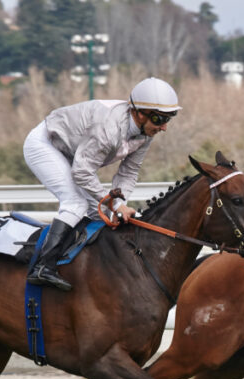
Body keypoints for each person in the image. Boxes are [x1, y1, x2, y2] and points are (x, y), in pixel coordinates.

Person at [22, 77, 181, 291]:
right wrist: (115, 205)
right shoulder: (109, 129)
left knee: (101, 216)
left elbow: (129, 171)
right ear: (139, 113)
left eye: (168, 119)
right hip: (45, 144)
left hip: (74, 154)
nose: (163, 127)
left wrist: (118, 205)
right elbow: (81, 171)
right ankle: (43, 267)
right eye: (159, 119)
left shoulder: (145, 133)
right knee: (76, 203)